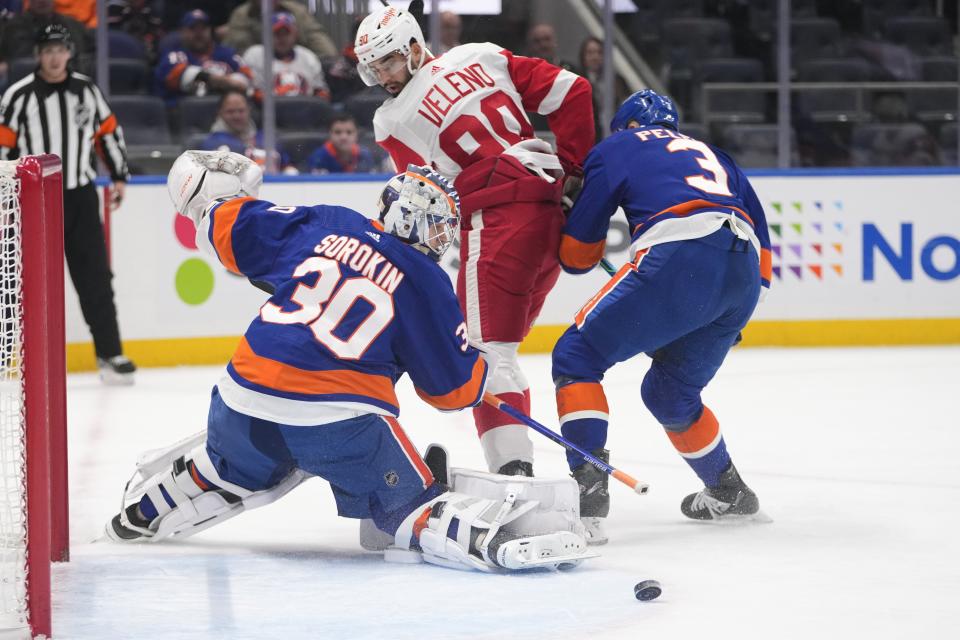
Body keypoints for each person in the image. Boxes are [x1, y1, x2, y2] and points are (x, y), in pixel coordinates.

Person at [105, 149, 592, 573]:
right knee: (409, 505)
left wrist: (213, 195)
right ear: (426, 224)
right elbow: (450, 392)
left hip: (241, 396)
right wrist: (481, 370)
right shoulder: (425, 280)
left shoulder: (330, 221)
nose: (445, 235)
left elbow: (226, 225)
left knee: (227, 465)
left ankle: (143, 510)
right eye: (443, 223)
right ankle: (497, 540)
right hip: (337, 421)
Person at [355, 4, 594, 477]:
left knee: (484, 353)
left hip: (498, 221)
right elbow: (574, 91)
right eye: (374, 67)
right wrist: (575, 171)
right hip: (549, 208)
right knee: (501, 346)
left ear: (415, 48)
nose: (382, 75)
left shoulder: (391, 119)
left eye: (389, 61)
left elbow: (422, 198)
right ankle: (548, 471)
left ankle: (514, 476)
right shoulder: (481, 54)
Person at [551, 89, 771, 542]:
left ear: (627, 126)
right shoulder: (716, 155)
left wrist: (570, 216)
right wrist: (725, 314)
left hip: (680, 255)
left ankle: (588, 500)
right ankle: (729, 492)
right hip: (742, 276)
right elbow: (763, 247)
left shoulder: (617, 147)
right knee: (670, 392)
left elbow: (575, 257)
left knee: (576, 356)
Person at [0, 24, 136, 384]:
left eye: (60, 49)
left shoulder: (86, 91)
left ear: (69, 53)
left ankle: (110, 353)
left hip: (79, 195)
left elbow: (108, 132)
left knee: (95, 278)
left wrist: (119, 175)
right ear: (38, 55)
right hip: (32, 200)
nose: (54, 56)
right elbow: (4, 148)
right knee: (17, 279)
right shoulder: (18, 96)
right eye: (48, 50)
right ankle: (4, 355)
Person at [154, 9, 251, 106]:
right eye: (193, 28)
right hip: (188, 111)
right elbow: (177, 75)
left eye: (203, 28)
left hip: (227, 111)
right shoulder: (176, 55)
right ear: (182, 32)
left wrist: (233, 82)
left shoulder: (228, 53)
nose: (198, 33)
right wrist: (222, 81)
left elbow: (245, 79)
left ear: (210, 30)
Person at [201, 89, 295, 172]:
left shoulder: (266, 137)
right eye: (230, 111)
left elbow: (286, 166)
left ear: (249, 110)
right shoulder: (213, 142)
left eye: (241, 111)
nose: (236, 116)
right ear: (220, 113)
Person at [242, 12, 330, 100]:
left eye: (286, 33)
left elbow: (320, 92)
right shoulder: (255, 55)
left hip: (305, 111)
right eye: (277, 33)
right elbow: (250, 92)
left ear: (295, 34)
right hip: (267, 112)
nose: (282, 38)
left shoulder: (308, 57)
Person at [0, 0, 91, 77]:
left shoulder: (72, 25)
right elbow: (17, 63)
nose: (42, 1)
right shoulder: (13, 28)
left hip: (73, 81)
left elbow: (91, 53)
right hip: (28, 83)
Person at [223, 0, 337, 59]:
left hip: (296, 67)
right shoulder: (241, 15)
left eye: (285, 33)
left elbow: (324, 48)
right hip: (257, 72)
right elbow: (236, 54)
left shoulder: (298, 11)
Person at [307, 114, 377, 174]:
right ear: (329, 134)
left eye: (349, 132)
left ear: (357, 135)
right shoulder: (318, 157)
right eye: (338, 132)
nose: (343, 137)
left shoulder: (365, 155)